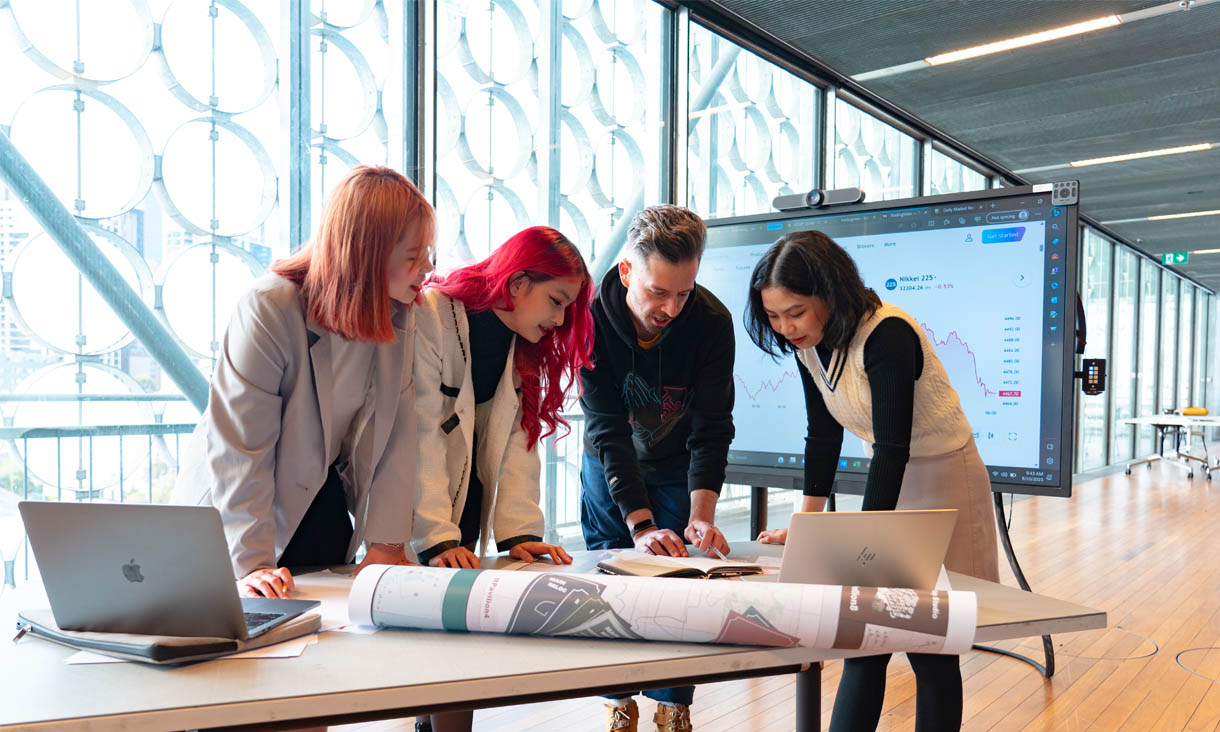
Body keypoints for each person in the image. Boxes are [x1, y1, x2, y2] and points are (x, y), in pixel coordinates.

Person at [743, 230, 1000, 732]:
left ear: (829, 294)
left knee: (931, 646)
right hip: (892, 480)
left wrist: (864, 541)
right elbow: (822, 436)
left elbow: (892, 448)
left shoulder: (887, 335)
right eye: (773, 316)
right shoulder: (810, 346)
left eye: (794, 311)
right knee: (865, 641)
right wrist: (807, 525)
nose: (785, 326)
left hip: (944, 478)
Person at [173, 165, 433, 597]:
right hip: (231, 511)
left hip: (312, 500)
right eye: (413, 256)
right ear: (369, 251)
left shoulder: (400, 313)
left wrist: (387, 543)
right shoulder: (269, 307)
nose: (427, 268)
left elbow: (396, 433)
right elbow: (241, 446)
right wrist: (252, 563)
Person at [410, 226, 593, 732]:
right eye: (555, 302)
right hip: (418, 515)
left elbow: (519, 443)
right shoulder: (431, 315)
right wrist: (433, 536)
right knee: (416, 659)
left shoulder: (522, 345)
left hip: (464, 515)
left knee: (457, 659)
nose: (559, 320)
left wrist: (521, 536)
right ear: (516, 284)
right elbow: (418, 432)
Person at [579, 205, 735, 732]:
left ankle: (674, 705)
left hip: (674, 463)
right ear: (627, 271)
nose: (671, 307)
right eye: (658, 292)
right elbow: (607, 429)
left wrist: (701, 516)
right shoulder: (592, 318)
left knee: (681, 577)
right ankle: (617, 699)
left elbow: (712, 426)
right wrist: (641, 525)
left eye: (684, 292)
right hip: (609, 465)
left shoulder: (712, 324)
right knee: (613, 579)